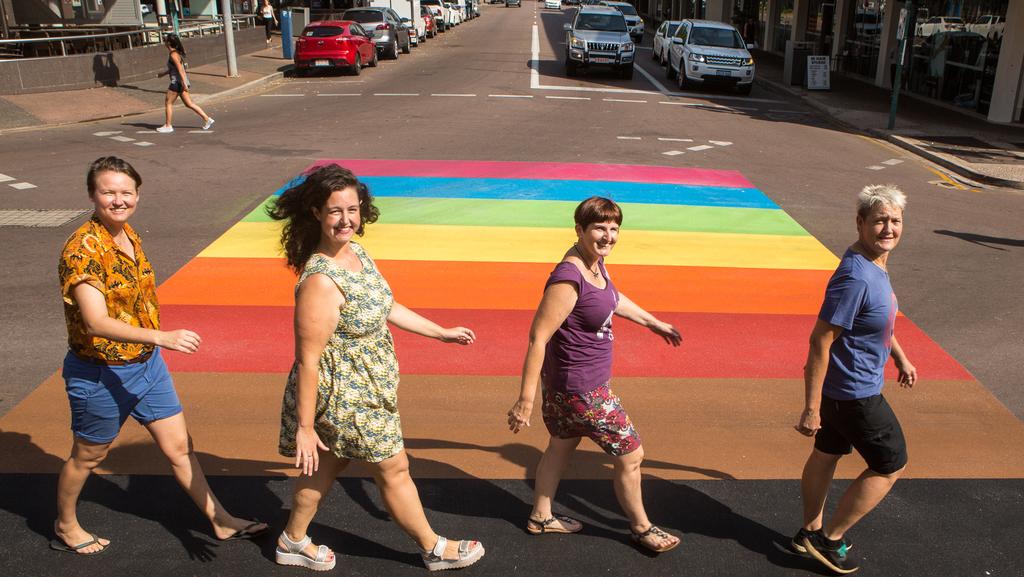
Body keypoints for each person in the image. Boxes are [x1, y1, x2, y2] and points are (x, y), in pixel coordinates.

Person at [267, 164, 485, 572]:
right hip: (343, 392)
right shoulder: (320, 281)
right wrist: (305, 427)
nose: (347, 219)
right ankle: (433, 547)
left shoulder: (356, 253)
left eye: (354, 209)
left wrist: (440, 332)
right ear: (316, 212)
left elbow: (386, 305)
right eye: (336, 211)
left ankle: (291, 540)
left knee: (328, 462)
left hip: (368, 385)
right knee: (393, 465)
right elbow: (309, 360)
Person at [54, 156, 267, 555]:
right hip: (101, 373)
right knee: (88, 456)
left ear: (137, 194)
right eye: (108, 192)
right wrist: (162, 336)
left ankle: (219, 520)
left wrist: (153, 344)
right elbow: (95, 321)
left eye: (126, 192)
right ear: (91, 195)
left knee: (179, 447)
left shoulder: (127, 234)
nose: (118, 200)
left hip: (147, 366)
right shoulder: (82, 249)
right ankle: (65, 525)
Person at [506, 196, 682, 554]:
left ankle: (541, 515)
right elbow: (538, 337)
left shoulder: (595, 264)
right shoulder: (569, 278)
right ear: (580, 230)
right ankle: (641, 527)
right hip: (584, 391)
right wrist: (524, 400)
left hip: (565, 387)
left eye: (614, 228)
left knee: (560, 446)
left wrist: (653, 322)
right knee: (631, 456)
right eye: (599, 228)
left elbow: (613, 299)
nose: (608, 236)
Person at [793, 185, 917, 574]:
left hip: (845, 389)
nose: (888, 228)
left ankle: (808, 533)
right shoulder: (857, 276)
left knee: (828, 453)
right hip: (854, 393)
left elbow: (873, 321)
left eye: (895, 221)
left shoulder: (874, 261)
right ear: (860, 222)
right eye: (879, 220)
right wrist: (811, 408)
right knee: (890, 463)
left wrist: (899, 355)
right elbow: (821, 339)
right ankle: (830, 541)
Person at [156, 34, 214, 134]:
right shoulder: (175, 53)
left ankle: (168, 126)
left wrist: (184, 83)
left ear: (169, 43)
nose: (164, 42)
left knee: (168, 103)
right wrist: (163, 74)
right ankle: (207, 119)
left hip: (177, 83)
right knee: (189, 104)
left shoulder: (173, 54)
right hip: (181, 82)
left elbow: (180, 70)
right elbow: (173, 69)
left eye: (165, 40)